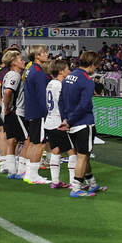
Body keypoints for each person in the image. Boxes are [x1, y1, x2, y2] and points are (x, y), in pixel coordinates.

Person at [60, 51, 107, 197]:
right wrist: (70, 121)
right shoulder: (87, 80)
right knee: (83, 156)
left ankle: (92, 183)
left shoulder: (69, 77)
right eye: (96, 66)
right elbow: (84, 105)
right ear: (92, 65)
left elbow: (61, 100)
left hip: (71, 122)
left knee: (84, 154)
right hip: (83, 123)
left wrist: (65, 119)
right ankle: (76, 188)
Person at [44, 58, 77, 190]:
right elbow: (63, 103)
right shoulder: (59, 85)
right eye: (67, 69)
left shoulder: (50, 84)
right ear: (61, 71)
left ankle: (55, 181)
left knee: (56, 150)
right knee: (73, 151)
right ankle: (74, 182)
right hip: (59, 122)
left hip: (50, 121)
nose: (70, 71)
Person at [21, 45, 51, 185]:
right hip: (38, 112)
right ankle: (33, 175)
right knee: (39, 144)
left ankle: (29, 172)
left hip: (31, 110)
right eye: (43, 52)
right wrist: (46, 113)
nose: (47, 54)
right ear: (36, 56)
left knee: (33, 143)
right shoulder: (38, 72)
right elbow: (41, 96)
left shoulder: (30, 69)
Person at [0, 50, 27, 180]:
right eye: (21, 59)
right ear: (14, 62)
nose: (24, 61)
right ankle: (22, 170)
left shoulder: (8, 74)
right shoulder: (15, 75)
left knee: (12, 140)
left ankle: (11, 170)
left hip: (9, 113)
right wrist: (7, 107)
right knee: (27, 140)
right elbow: (8, 92)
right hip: (16, 112)